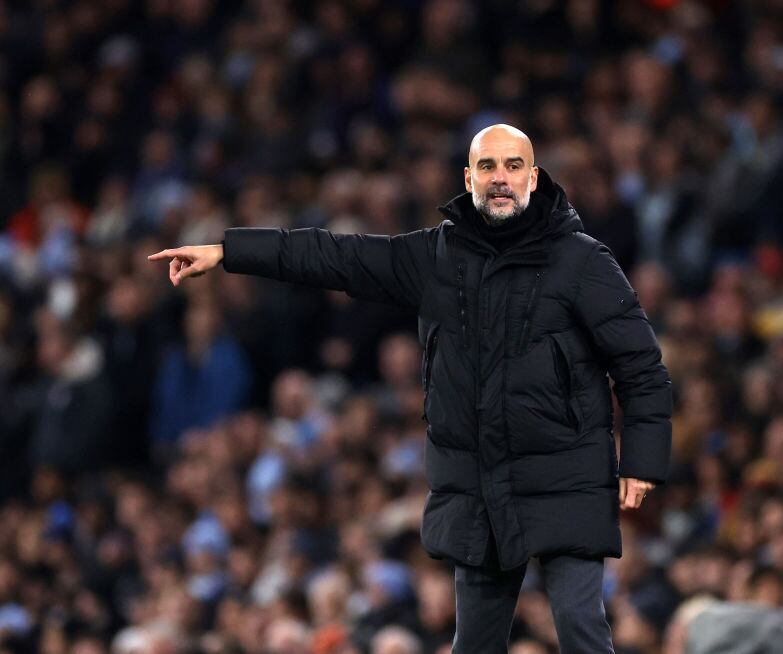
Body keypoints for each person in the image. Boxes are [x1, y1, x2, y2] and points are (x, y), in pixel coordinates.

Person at [148, 124, 673, 653]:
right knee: (473, 645)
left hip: (566, 475)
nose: (500, 179)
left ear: (533, 178)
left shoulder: (582, 261)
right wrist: (228, 251)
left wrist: (642, 460)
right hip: (478, 485)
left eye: (513, 166)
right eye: (487, 167)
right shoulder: (435, 257)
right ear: (468, 178)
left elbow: (640, 363)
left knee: (582, 631)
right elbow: (336, 256)